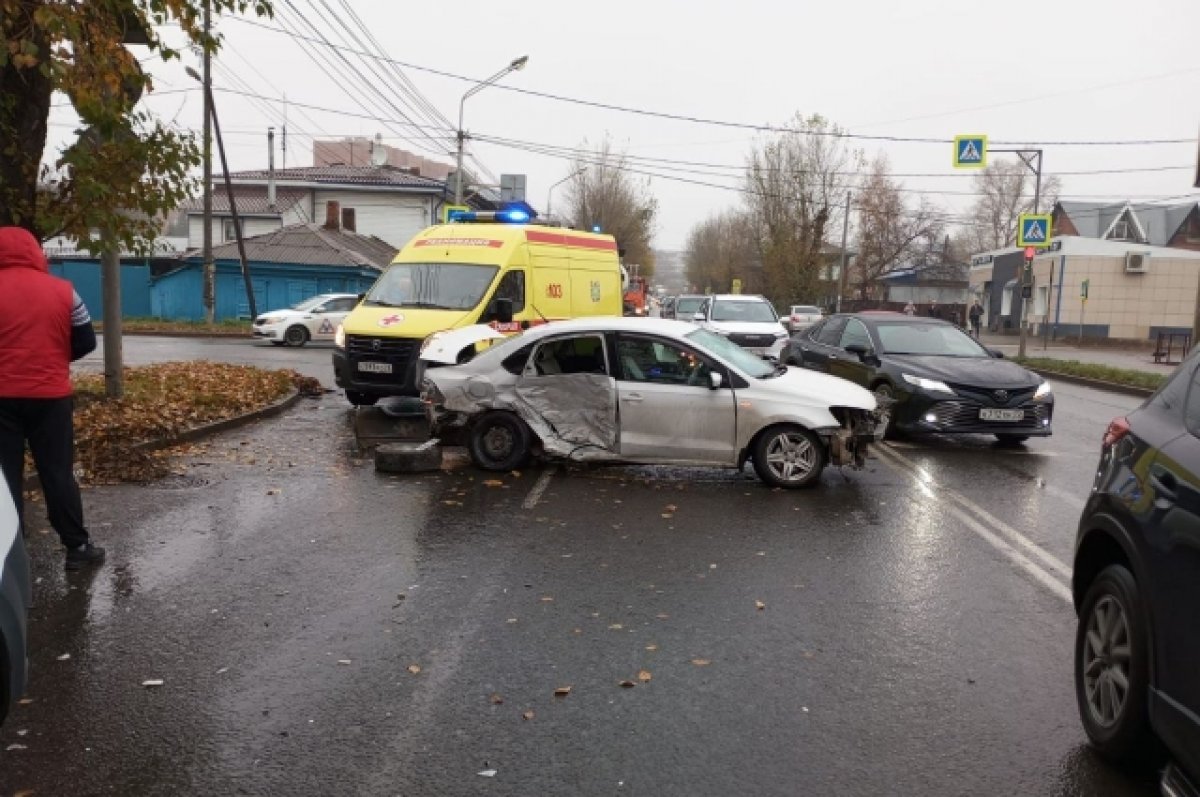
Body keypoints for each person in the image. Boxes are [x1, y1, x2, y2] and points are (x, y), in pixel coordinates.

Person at [0, 226, 105, 570]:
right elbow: (87, 340)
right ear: (34, 252)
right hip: (50, 397)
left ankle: (11, 554)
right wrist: (53, 360)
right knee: (57, 472)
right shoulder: (65, 292)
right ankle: (77, 547)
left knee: (5, 476)